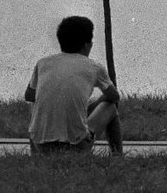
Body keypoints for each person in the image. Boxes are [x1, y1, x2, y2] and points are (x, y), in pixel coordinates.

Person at [25, 15, 123, 156]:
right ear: (87, 44)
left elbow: (29, 95)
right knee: (110, 107)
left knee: (34, 102)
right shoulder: (94, 67)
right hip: (76, 147)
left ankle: (36, 152)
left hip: (40, 146)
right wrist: (96, 103)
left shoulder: (43, 63)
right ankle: (117, 155)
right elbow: (114, 96)